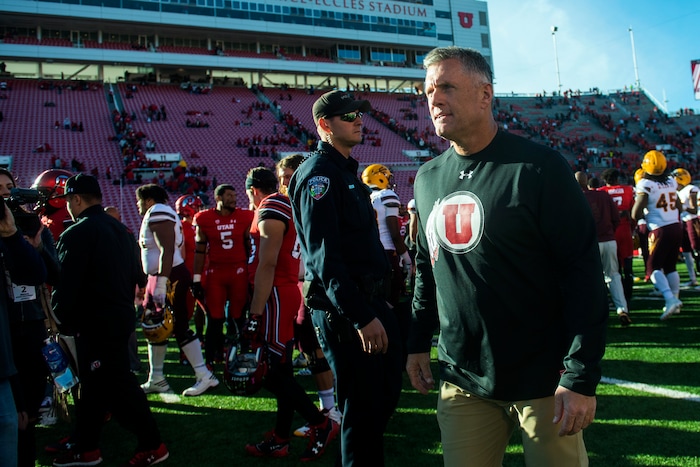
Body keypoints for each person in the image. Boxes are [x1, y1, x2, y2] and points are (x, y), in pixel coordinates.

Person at [406, 47, 608, 467]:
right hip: (462, 379)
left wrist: (581, 375)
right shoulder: (426, 178)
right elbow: (427, 269)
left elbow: (583, 273)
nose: (434, 99)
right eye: (428, 91)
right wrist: (416, 344)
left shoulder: (539, 168)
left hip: (543, 379)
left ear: (485, 95)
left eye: (446, 87)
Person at [288, 90, 403, 466]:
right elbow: (325, 258)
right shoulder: (319, 175)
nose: (359, 120)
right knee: (362, 407)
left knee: (383, 396)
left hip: (369, 301)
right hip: (347, 309)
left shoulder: (344, 171)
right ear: (324, 125)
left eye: (359, 113)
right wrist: (360, 316)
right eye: (348, 115)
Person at [50, 174, 168, 466]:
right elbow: (136, 278)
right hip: (120, 317)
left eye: (68, 201)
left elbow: (67, 286)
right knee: (95, 384)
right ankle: (85, 444)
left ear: (75, 199)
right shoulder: (122, 229)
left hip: (95, 321)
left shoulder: (76, 233)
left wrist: (60, 317)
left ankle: (152, 443)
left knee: (117, 384)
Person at [243, 167, 339, 461]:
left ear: (253, 190)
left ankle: (320, 423)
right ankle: (281, 438)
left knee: (271, 371)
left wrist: (254, 314)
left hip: (274, 293)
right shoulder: (285, 203)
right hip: (282, 291)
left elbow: (268, 263)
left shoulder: (271, 205)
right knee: (281, 369)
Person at [276, 154, 341, 438]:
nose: (286, 183)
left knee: (318, 345)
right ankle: (331, 406)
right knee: (308, 346)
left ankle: (331, 408)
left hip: (315, 283)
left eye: (291, 176)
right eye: (283, 178)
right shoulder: (283, 205)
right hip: (298, 284)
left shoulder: (314, 199)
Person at [136, 184, 219, 396]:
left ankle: (204, 375)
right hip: (164, 275)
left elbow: (168, 249)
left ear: (148, 200)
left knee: (175, 326)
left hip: (169, 276)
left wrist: (162, 282)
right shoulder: (161, 212)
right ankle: (157, 377)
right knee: (157, 328)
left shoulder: (158, 211)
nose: (137, 205)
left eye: (139, 201)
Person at [0, 169, 59, 467]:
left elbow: (53, 274)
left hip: (32, 326)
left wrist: (34, 248)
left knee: (28, 414)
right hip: (4, 330)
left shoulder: (34, 226)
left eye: (8, 187)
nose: (4, 193)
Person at [192, 184, 253, 365]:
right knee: (215, 318)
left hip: (239, 272)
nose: (233, 199)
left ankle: (242, 355)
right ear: (218, 198)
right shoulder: (204, 218)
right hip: (216, 273)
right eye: (229, 196)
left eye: (234, 195)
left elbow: (250, 247)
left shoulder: (245, 217)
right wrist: (196, 279)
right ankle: (211, 358)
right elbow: (199, 251)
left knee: (238, 317)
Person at [632, 150, 683, 320]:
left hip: (659, 228)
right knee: (670, 266)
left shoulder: (645, 184)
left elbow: (636, 212)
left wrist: (642, 218)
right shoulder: (671, 181)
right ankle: (675, 299)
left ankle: (670, 299)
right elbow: (678, 206)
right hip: (675, 225)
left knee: (652, 267)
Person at [576, 171, 631, 326]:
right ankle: (622, 309)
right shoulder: (603, 196)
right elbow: (616, 218)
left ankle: (593, 313)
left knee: (589, 278)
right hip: (608, 240)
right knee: (613, 275)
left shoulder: (576, 198)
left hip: (589, 243)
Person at [599, 168, 636, 303]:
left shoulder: (601, 192)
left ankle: (617, 295)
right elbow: (633, 212)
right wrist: (633, 227)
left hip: (610, 231)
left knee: (613, 268)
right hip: (625, 229)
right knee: (627, 264)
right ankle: (629, 294)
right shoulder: (628, 189)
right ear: (617, 178)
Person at [671, 168, 700, 288]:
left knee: (697, 250)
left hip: (693, 221)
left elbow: (693, 209)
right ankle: (692, 278)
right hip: (683, 222)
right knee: (687, 252)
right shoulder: (678, 192)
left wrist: (682, 207)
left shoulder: (691, 189)